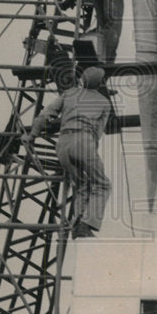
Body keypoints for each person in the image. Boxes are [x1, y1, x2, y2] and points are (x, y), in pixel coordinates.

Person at [25, 66, 113, 238]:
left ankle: (77, 225)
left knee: (80, 185)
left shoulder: (69, 94)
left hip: (63, 144)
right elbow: (98, 134)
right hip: (84, 141)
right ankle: (87, 224)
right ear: (100, 83)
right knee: (102, 184)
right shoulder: (104, 102)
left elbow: (44, 115)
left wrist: (32, 135)